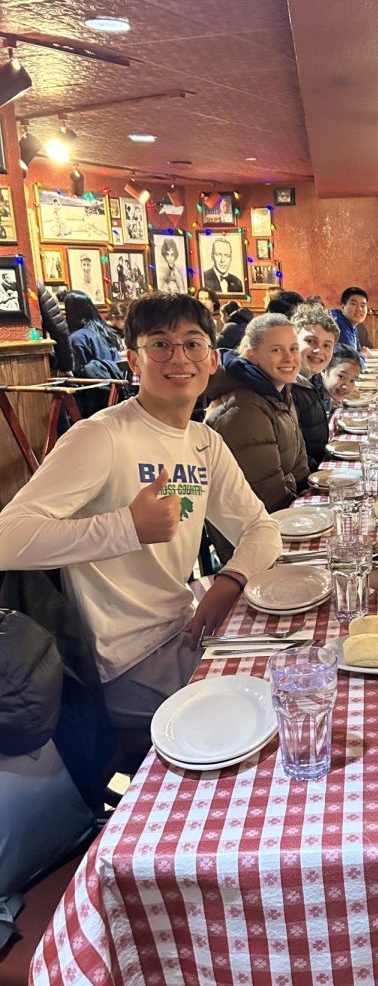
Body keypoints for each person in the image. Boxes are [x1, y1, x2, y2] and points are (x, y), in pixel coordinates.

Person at [0, 292, 281, 735]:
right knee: (271, 712)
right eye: (160, 345)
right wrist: (125, 528)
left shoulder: (203, 442)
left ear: (211, 360)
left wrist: (231, 580)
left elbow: (262, 529)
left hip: (181, 629)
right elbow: (7, 538)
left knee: (300, 669)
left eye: (193, 344)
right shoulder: (101, 436)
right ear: (133, 360)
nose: (179, 358)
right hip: (124, 663)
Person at [206, 315, 309, 510]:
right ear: (252, 355)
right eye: (276, 350)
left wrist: (309, 494)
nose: (289, 358)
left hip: (288, 510)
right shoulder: (244, 409)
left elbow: (300, 466)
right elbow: (267, 498)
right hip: (256, 530)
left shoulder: (279, 391)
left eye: (293, 348)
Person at [291, 301, 339, 469]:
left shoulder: (312, 380)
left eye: (327, 345)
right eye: (311, 341)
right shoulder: (287, 388)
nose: (319, 351)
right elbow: (296, 455)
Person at [65, 292, 123, 379]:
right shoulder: (105, 330)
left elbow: (80, 374)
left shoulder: (77, 338)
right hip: (118, 386)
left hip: (97, 388)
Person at [37, 282, 74, 375]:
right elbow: (59, 330)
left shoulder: (32, 284)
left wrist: (65, 366)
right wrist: (66, 367)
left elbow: (59, 329)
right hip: (36, 361)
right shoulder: (29, 283)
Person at [320, 343, 363, 414]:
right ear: (324, 369)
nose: (346, 386)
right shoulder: (310, 397)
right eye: (341, 377)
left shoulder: (326, 397)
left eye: (352, 380)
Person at [331, 287, 368, 363]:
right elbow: (351, 363)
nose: (359, 309)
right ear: (343, 307)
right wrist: (364, 355)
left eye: (363, 305)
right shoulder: (339, 324)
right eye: (354, 304)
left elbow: (357, 352)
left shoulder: (351, 324)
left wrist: (361, 354)